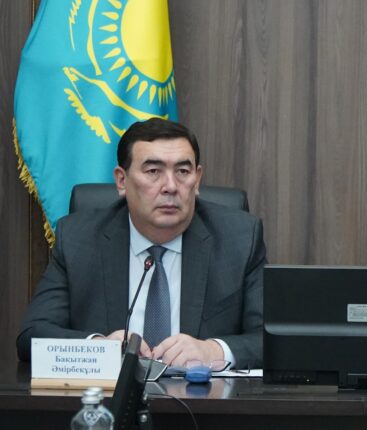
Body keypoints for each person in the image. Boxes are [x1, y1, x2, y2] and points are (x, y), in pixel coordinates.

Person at [16, 118, 266, 369]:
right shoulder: (78, 239)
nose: (171, 186)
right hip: (113, 393)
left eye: (182, 171)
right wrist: (99, 348)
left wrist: (213, 350)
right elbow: (33, 335)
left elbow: (272, 340)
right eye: (153, 171)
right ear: (121, 181)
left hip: (202, 393)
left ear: (197, 179)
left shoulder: (240, 240)